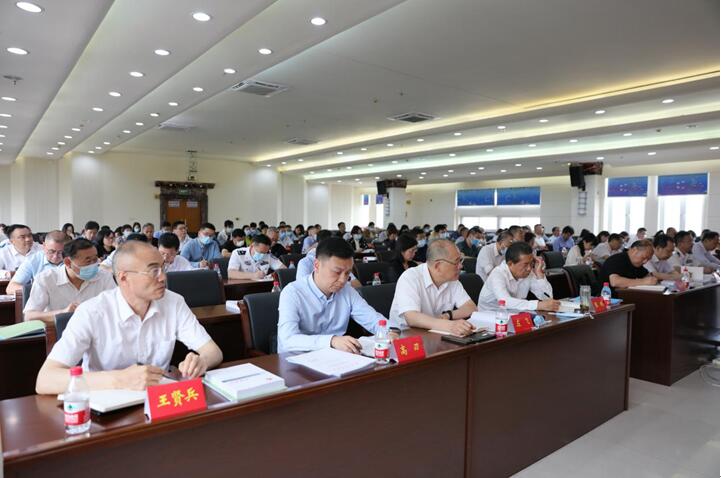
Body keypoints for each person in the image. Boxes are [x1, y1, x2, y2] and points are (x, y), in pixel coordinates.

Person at [35, 241, 223, 394]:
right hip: (107, 405)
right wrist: (120, 379)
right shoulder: (92, 312)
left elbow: (213, 351)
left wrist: (201, 362)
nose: (163, 278)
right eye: (153, 271)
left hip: (158, 401)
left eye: (163, 268)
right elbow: (45, 380)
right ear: (124, 277)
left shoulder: (173, 302)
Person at [277, 237, 393, 353]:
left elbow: (373, 319)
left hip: (335, 357)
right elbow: (287, 339)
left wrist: (391, 331)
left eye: (347, 273)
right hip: (297, 358)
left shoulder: (347, 291)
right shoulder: (292, 293)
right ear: (317, 265)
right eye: (337, 272)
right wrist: (331, 341)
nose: (343, 280)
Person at [389, 239, 477, 335]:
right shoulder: (410, 277)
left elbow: (471, 307)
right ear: (437, 266)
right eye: (456, 262)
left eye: (460, 260)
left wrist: (448, 315)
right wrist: (450, 326)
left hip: (435, 333)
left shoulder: (452, 280)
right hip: (405, 336)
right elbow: (412, 318)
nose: (460, 266)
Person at [23, 239, 116, 324]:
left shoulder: (104, 276)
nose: (93, 265)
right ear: (68, 262)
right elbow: (29, 317)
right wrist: (63, 313)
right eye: (88, 261)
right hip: (59, 332)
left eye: (95, 259)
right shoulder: (46, 279)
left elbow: (116, 307)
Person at [477, 242, 559, 312]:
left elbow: (547, 297)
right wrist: (538, 305)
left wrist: (539, 274)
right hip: (490, 315)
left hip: (514, 313)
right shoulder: (497, 274)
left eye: (531, 263)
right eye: (525, 264)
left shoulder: (528, 272)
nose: (529, 268)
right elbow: (505, 301)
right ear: (510, 264)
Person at [6, 230, 68, 295]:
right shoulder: (32, 261)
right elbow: (11, 288)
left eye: (61, 252)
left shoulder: (73, 259)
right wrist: (39, 289)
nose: (55, 256)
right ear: (44, 246)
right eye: (51, 251)